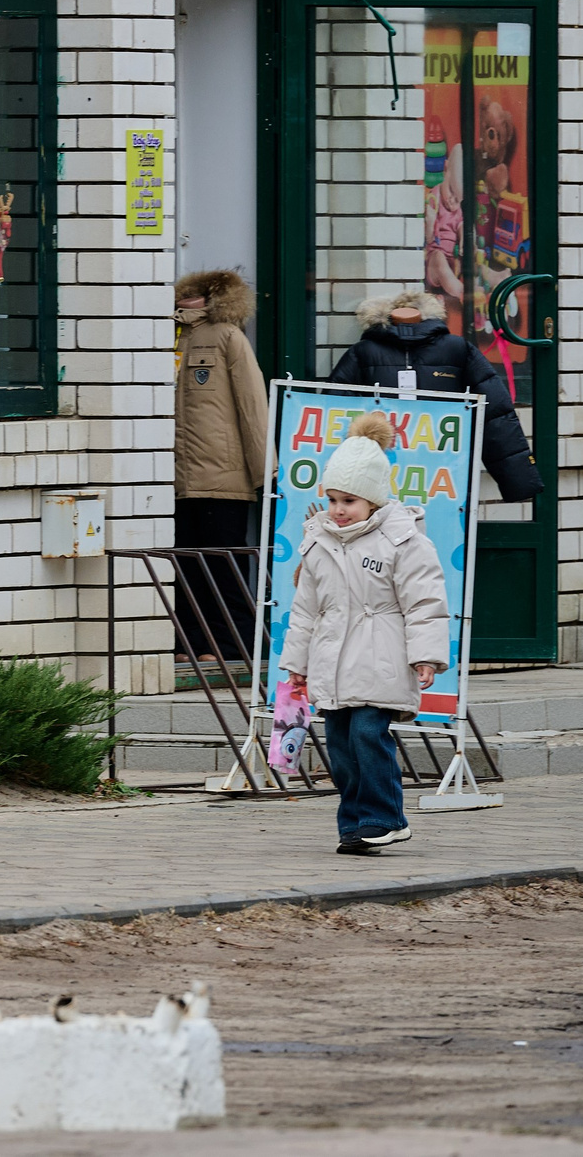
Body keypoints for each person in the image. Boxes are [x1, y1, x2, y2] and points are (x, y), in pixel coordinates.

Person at [283, 413, 448, 856]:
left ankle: (385, 817)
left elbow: (425, 603)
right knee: (339, 745)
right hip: (334, 663)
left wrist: (426, 656)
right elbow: (306, 610)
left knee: (367, 737)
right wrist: (296, 666)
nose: (338, 509)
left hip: (382, 659)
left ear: (373, 500)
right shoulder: (318, 542)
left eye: (349, 500)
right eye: (333, 498)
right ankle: (355, 823)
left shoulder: (402, 540)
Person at [328, 290, 543, 501]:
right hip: (384, 474)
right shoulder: (364, 353)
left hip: (442, 476)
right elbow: (331, 418)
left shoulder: (456, 350)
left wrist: (518, 480)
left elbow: (494, 414)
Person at [173, 268, 268, 658]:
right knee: (183, 565)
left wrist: (266, 472)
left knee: (223, 565)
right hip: (173, 477)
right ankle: (190, 642)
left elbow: (253, 406)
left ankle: (232, 645)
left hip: (223, 475)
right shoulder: (166, 336)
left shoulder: (228, 337)